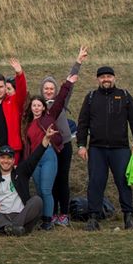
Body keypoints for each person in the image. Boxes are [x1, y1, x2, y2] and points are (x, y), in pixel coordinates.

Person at [77, 64, 133, 230]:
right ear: (98, 79)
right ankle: (93, 218)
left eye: (109, 76)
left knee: (123, 182)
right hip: (97, 149)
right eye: (102, 77)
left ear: (114, 78)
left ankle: (129, 217)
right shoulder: (91, 97)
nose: (106, 79)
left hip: (120, 148)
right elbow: (83, 123)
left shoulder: (124, 95)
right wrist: (81, 145)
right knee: (95, 182)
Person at [22, 62, 77, 230]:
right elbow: (27, 144)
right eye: (34, 105)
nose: (37, 108)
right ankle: (47, 216)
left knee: (47, 188)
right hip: (34, 158)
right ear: (31, 107)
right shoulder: (27, 122)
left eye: (39, 105)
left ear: (43, 107)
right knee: (40, 190)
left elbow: (61, 99)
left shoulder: (49, 116)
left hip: (48, 155)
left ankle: (49, 221)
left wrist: (68, 82)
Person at [0, 127, 56, 236]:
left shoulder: (21, 172)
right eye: (3, 158)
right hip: (0, 215)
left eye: (9, 158)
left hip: (20, 216)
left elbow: (35, 157)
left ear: (13, 160)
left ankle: (5, 229)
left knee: (37, 200)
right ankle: (8, 227)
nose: (6, 161)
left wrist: (46, 138)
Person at [44, 48, 85, 226]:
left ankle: (64, 213)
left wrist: (78, 62)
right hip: (48, 147)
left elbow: (70, 84)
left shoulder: (62, 101)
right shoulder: (38, 105)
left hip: (65, 145)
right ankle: (52, 213)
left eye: (51, 88)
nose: (48, 91)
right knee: (51, 180)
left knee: (63, 178)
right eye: (46, 88)